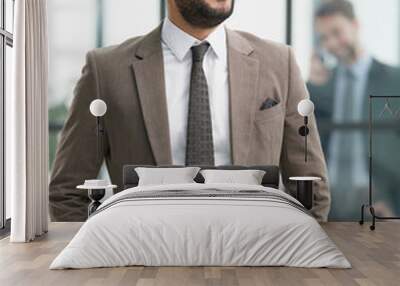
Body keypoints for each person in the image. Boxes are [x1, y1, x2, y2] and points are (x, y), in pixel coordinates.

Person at [50, 0, 330, 222]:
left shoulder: (279, 64)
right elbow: (67, 191)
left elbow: (311, 188)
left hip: (255, 256)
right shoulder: (107, 71)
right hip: (145, 262)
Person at [307, 0, 400, 219]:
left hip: (377, 201)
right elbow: (303, 137)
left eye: (336, 32)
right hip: (329, 203)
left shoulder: (394, 80)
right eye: (324, 38)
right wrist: (309, 87)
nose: (331, 43)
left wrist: (394, 204)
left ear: (355, 25)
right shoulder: (320, 85)